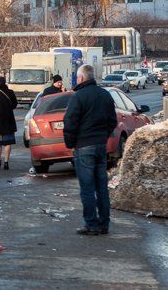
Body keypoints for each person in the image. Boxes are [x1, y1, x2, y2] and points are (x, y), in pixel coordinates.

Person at [63, 65, 117, 236]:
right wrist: (103, 136)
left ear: (81, 79)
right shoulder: (105, 95)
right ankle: (104, 224)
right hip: (100, 146)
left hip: (83, 146)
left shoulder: (78, 97)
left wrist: (71, 143)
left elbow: (70, 122)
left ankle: (91, 224)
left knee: (87, 188)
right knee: (101, 187)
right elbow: (112, 121)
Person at [0, 77, 18, 170]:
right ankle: (6, 162)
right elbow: (15, 104)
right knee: (8, 142)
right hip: (9, 120)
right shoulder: (10, 92)